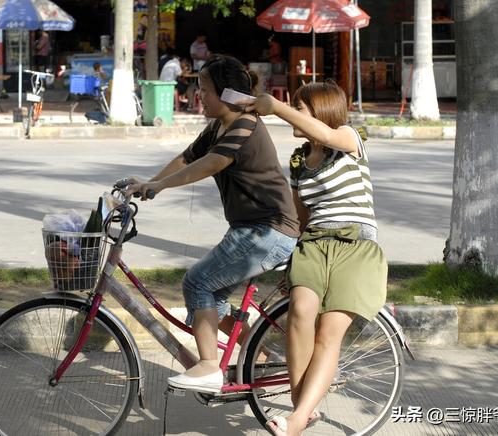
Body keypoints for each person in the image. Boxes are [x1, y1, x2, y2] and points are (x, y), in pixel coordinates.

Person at [128, 55, 300, 393]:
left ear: (228, 94)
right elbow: (188, 157)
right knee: (213, 300)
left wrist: (161, 186)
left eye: (204, 89)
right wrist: (150, 183)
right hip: (253, 229)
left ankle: (208, 367)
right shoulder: (219, 126)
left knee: (197, 283)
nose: (199, 96)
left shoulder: (245, 125)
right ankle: (258, 352)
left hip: (269, 230)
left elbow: (211, 164)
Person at [242, 80, 387, 435]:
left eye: (300, 108)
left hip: (355, 246)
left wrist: (275, 107)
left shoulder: (350, 138)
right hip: (313, 245)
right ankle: (301, 412)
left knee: (328, 334)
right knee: (300, 314)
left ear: (320, 111)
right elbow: (302, 213)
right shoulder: (299, 159)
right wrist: (289, 254)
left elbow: (324, 133)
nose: (295, 113)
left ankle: (295, 420)